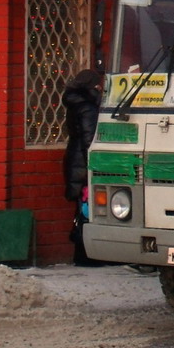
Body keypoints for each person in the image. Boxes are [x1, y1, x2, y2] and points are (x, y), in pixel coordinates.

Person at [63, 69, 102, 265]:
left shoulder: (75, 103)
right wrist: (95, 166)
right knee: (88, 208)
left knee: (82, 208)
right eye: (98, 84)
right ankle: (87, 255)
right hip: (83, 162)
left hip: (75, 158)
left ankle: (82, 254)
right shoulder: (88, 108)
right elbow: (89, 140)